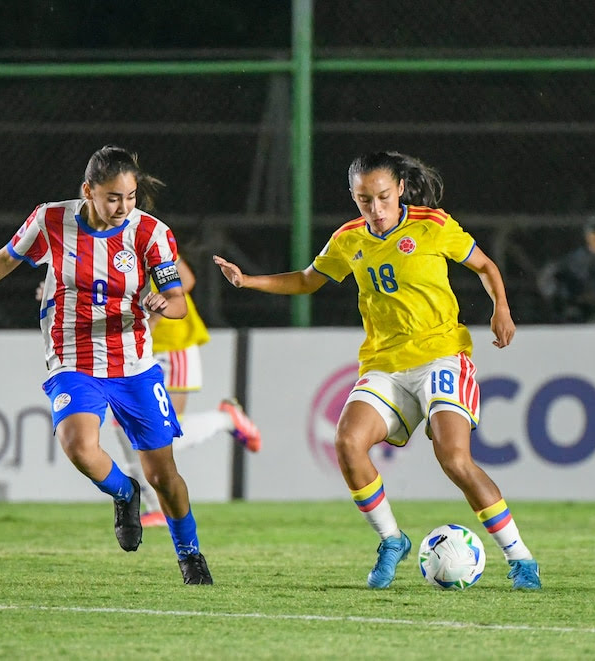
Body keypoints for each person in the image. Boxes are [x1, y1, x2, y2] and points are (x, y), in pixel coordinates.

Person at [214, 150, 541, 590]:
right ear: (353, 197)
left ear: (400, 189)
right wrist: (248, 281)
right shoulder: (348, 238)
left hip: (441, 355)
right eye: (364, 199)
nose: (376, 208)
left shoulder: (432, 224)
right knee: (347, 442)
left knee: (454, 458)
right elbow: (309, 279)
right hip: (385, 364)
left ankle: (521, 559)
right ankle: (392, 539)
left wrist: (501, 307)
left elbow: (484, 264)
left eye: (384, 196)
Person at [0, 144, 213, 584]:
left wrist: (163, 303)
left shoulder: (150, 233)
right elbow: (5, 259)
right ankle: (124, 491)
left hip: (133, 363)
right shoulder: (51, 220)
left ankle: (190, 554)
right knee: (78, 445)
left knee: (163, 473)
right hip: (72, 357)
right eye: (113, 197)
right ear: (88, 191)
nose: (123, 207)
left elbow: (177, 298)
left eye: (130, 197)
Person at [35, 257, 262, 529]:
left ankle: (225, 419)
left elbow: (186, 280)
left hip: (171, 344)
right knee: (128, 428)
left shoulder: (148, 237)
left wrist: (152, 318)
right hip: (134, 348)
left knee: (160, 435)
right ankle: (156, 507)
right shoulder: (98, 245)